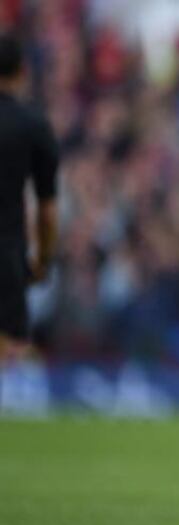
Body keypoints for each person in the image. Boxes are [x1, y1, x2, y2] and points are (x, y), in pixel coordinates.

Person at [0, 34, 59, 364]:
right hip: (6, 253)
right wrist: (43, 260)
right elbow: (47, 209)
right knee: (10, 352)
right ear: (22, 72)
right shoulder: (33, 126)